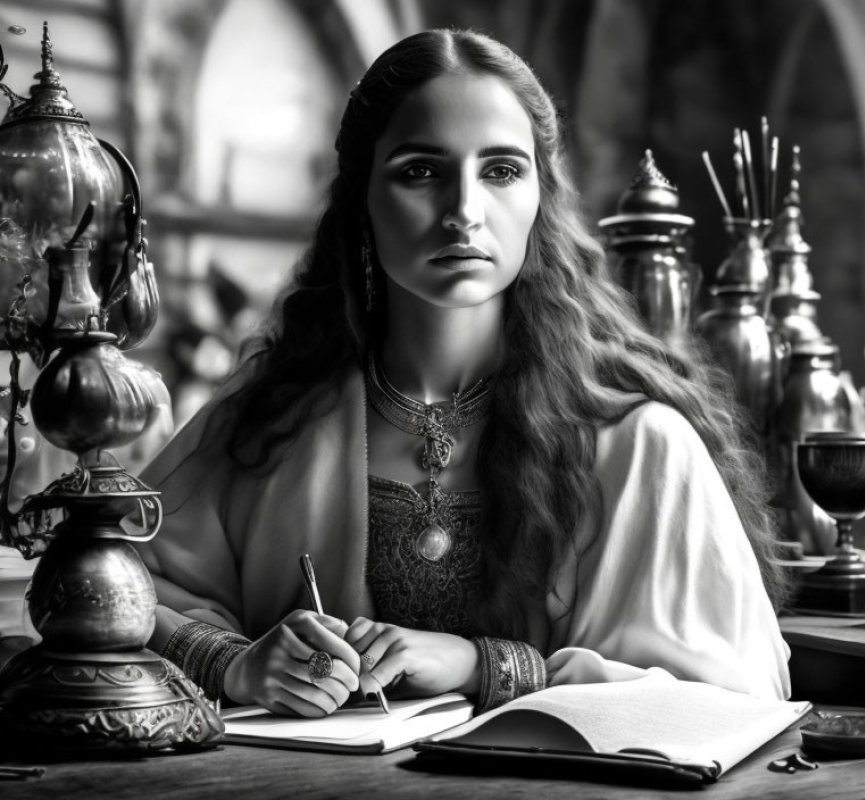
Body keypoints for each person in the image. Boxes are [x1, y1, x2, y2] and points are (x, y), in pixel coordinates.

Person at [138, 29, 791, 719]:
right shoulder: (270, 413)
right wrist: (237, 663)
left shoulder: (639, 446)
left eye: (502, 171)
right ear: (362, 197)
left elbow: (729, 699)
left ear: (543, 196)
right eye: (420, 171)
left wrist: (487, 666)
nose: (464, 213)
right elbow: (114, 586)